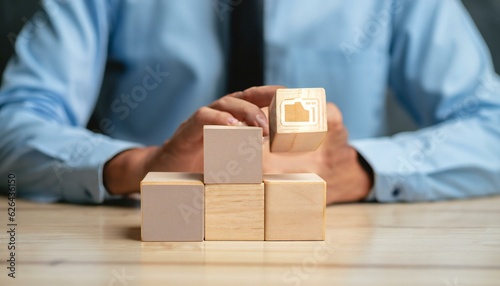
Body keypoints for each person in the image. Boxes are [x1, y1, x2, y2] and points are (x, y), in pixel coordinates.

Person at [0, 0, 499, 204]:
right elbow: (13, 125)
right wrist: (140, 165)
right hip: (153, 228)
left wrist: (364, 169)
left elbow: (491, 126)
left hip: (341, 248)